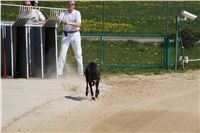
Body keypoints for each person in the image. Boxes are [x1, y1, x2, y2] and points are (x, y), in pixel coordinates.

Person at [57, 0, 83, 77]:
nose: (71, 5)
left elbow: (79, 24)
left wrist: (68, 23)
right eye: (69, 4)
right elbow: (58, 22)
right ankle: (59, 73)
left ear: (74, 5)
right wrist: (57, 18)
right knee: (62, 54)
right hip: (66, 35)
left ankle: (80, 73)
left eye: (72, 4)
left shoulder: (77, 13)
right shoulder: (63, 13)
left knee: (78, 54)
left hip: (75, 34)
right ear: (67, 5)